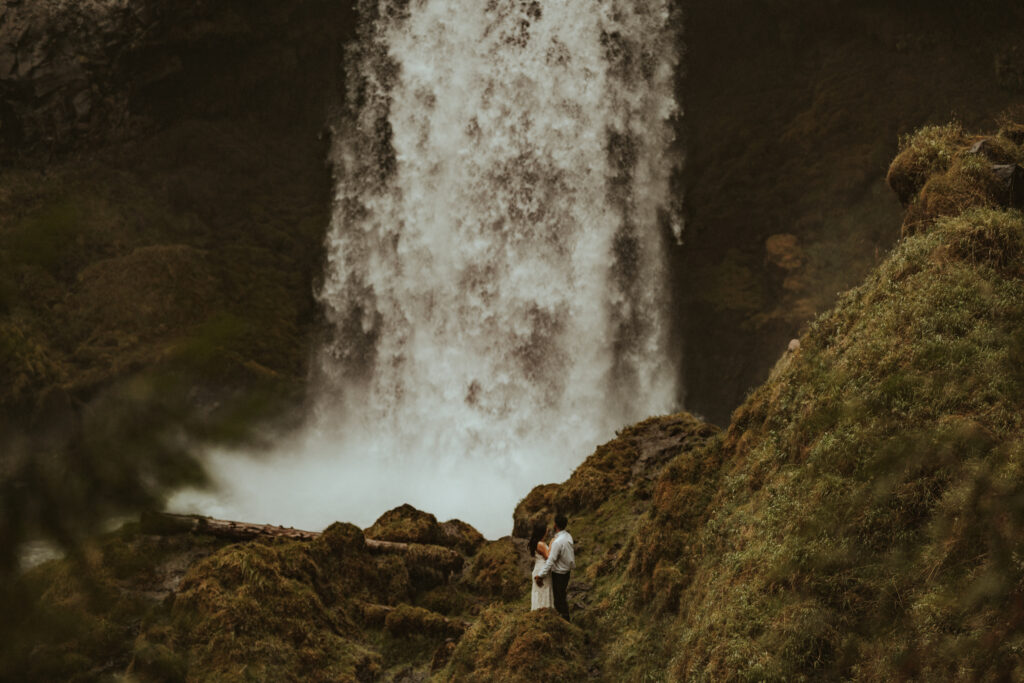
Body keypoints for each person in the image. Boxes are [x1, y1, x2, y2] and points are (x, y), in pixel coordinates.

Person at [534, 513, 574, 621]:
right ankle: (565, 620)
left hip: (559, 573)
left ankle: (565, 622)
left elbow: (550, 561)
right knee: (561, 597)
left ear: (555, 525)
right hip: (567, 571)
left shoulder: (557, 541)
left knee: (559, 600)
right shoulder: (568, 536)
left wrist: (540, 575)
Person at [528, 525, 554, 610]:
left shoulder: (538, 543)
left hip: (539, 568)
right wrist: (551, 543)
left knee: (540, 592)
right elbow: (548, 557)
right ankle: (544, 611)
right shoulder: (541, 544)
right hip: (542, 569)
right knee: (544, 591)